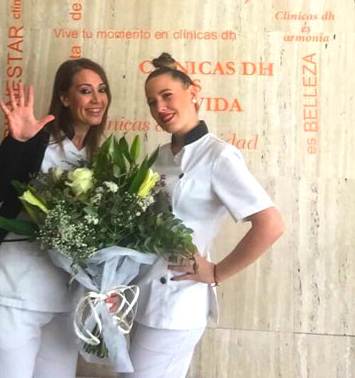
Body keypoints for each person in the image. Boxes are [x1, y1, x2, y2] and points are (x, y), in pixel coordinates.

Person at [121, 53, 285, 378]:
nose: (160, 108)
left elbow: (271, 224)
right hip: (144, 295)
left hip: (178, 303)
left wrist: (216, 272)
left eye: (167, 96)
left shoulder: (218, 155)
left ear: (193, 92)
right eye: (152, 102)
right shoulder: (160, 156)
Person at [0, 58, 111, 378]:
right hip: (13, 291)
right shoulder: (38, 141)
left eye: (102, 90)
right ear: (64, 98)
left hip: (64, 300)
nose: (96, 99)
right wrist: (16, 142)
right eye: (85, 91)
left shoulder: (98, 158)